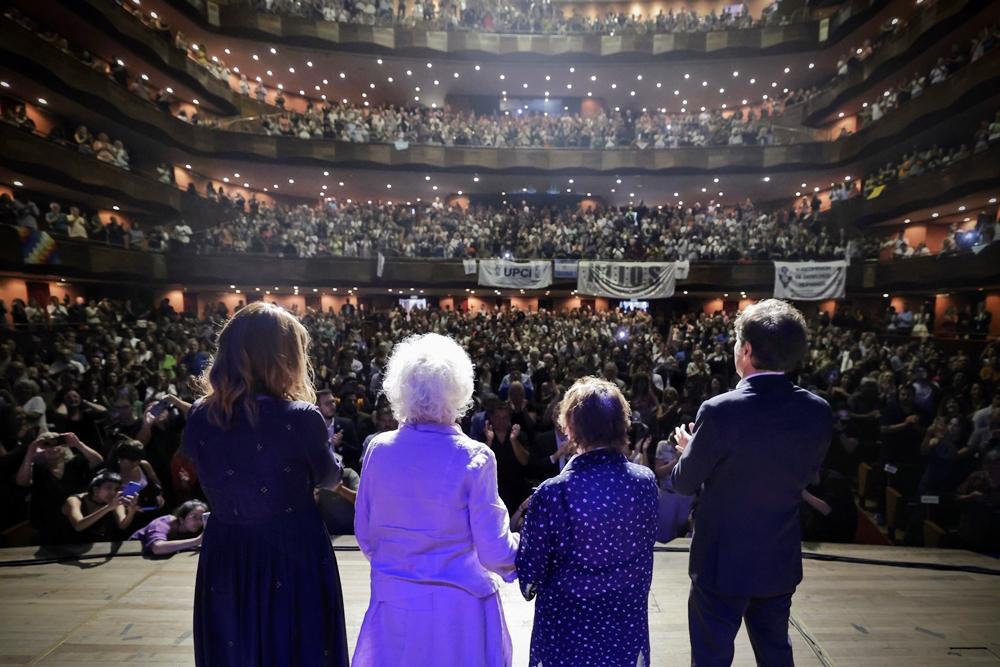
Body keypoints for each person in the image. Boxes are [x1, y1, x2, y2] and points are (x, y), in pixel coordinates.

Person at [183, 302, 349, 667]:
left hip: (226, 550)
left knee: (234, 645)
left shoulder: (200, 414)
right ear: (283, 356)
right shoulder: (301, 417)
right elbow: (329, 479)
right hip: (292, 550)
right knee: (297, 647)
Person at [672, 299, 833, 667]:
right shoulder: (817, 410)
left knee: (711, 659)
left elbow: (683, 483)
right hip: (778, 557)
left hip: (721, 563)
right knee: (776, 654)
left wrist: (690, 452)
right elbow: (802, 473)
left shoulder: (719, 410)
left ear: (745, 350)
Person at [353, 333, 518, 667]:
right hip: (459, 614)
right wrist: (527, 552)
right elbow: (494, 552)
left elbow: (366, 535)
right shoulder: (475, 456)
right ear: (459, 390)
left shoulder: (378, 449)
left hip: (395, 605)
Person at [516, 376, 658, 667]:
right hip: (624, 637)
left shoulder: (553, 492)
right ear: (622, 423)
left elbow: (529, 578)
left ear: (570, 427)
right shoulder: (645, 483)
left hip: (566, 640)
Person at [62, 470, 140, 542]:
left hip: (98, 545)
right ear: (95, 489)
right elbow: (78, 526)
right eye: (108, 488)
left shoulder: (114, 502)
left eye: (116, 489)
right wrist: (108, 507)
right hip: (66, 546)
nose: (113, 492)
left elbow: (122, 525)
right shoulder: (74, 500)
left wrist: (131, 511)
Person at [130, 499, 208, 558]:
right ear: (181, 518)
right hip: (131, 554)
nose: (199, 522)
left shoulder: (190, 528)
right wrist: (197, 541)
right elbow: (157, 548)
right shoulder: (160, 524)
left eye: (201, 518)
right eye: (194, 517)